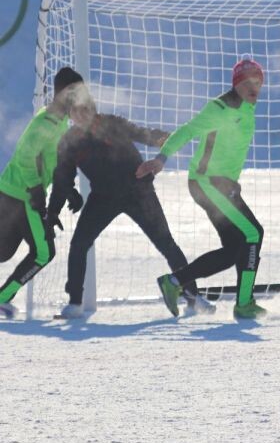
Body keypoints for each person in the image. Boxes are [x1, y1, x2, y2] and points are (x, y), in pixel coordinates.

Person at [47, 98, 212, 319]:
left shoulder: (111, 123)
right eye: (75, 112)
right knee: (78, 245)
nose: (80, 115)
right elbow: (62, 179)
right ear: (71, 117)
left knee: (167, 243)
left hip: (138, 192)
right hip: (102, 199)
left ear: (93, 110)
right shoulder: (70, 141)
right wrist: (54, 210)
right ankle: (75, 303)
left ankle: (193, 297)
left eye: (85, 110)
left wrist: (165, 139)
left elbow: (142, 133)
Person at [138, 55, 266, 320]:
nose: (254, 87)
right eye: (248, 82)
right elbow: (186, 131)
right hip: (206, 183)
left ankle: (174, 283)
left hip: (225, 186)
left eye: (258, 82)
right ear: (237, 84)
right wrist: (162, 158)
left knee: (234, 250)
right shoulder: (219, 109)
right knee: (253, 233)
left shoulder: (247, 109)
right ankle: (244, 303)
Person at [0, 68, 93, 318]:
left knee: (3, 250)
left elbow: (50, 159)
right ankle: (2, 298)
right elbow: (24, 157)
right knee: (44, 253)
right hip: (22, 195)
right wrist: (35, 190)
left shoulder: (58, 120)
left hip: (13, 191)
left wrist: (67, 188)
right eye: (76, 92)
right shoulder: (46, 121)